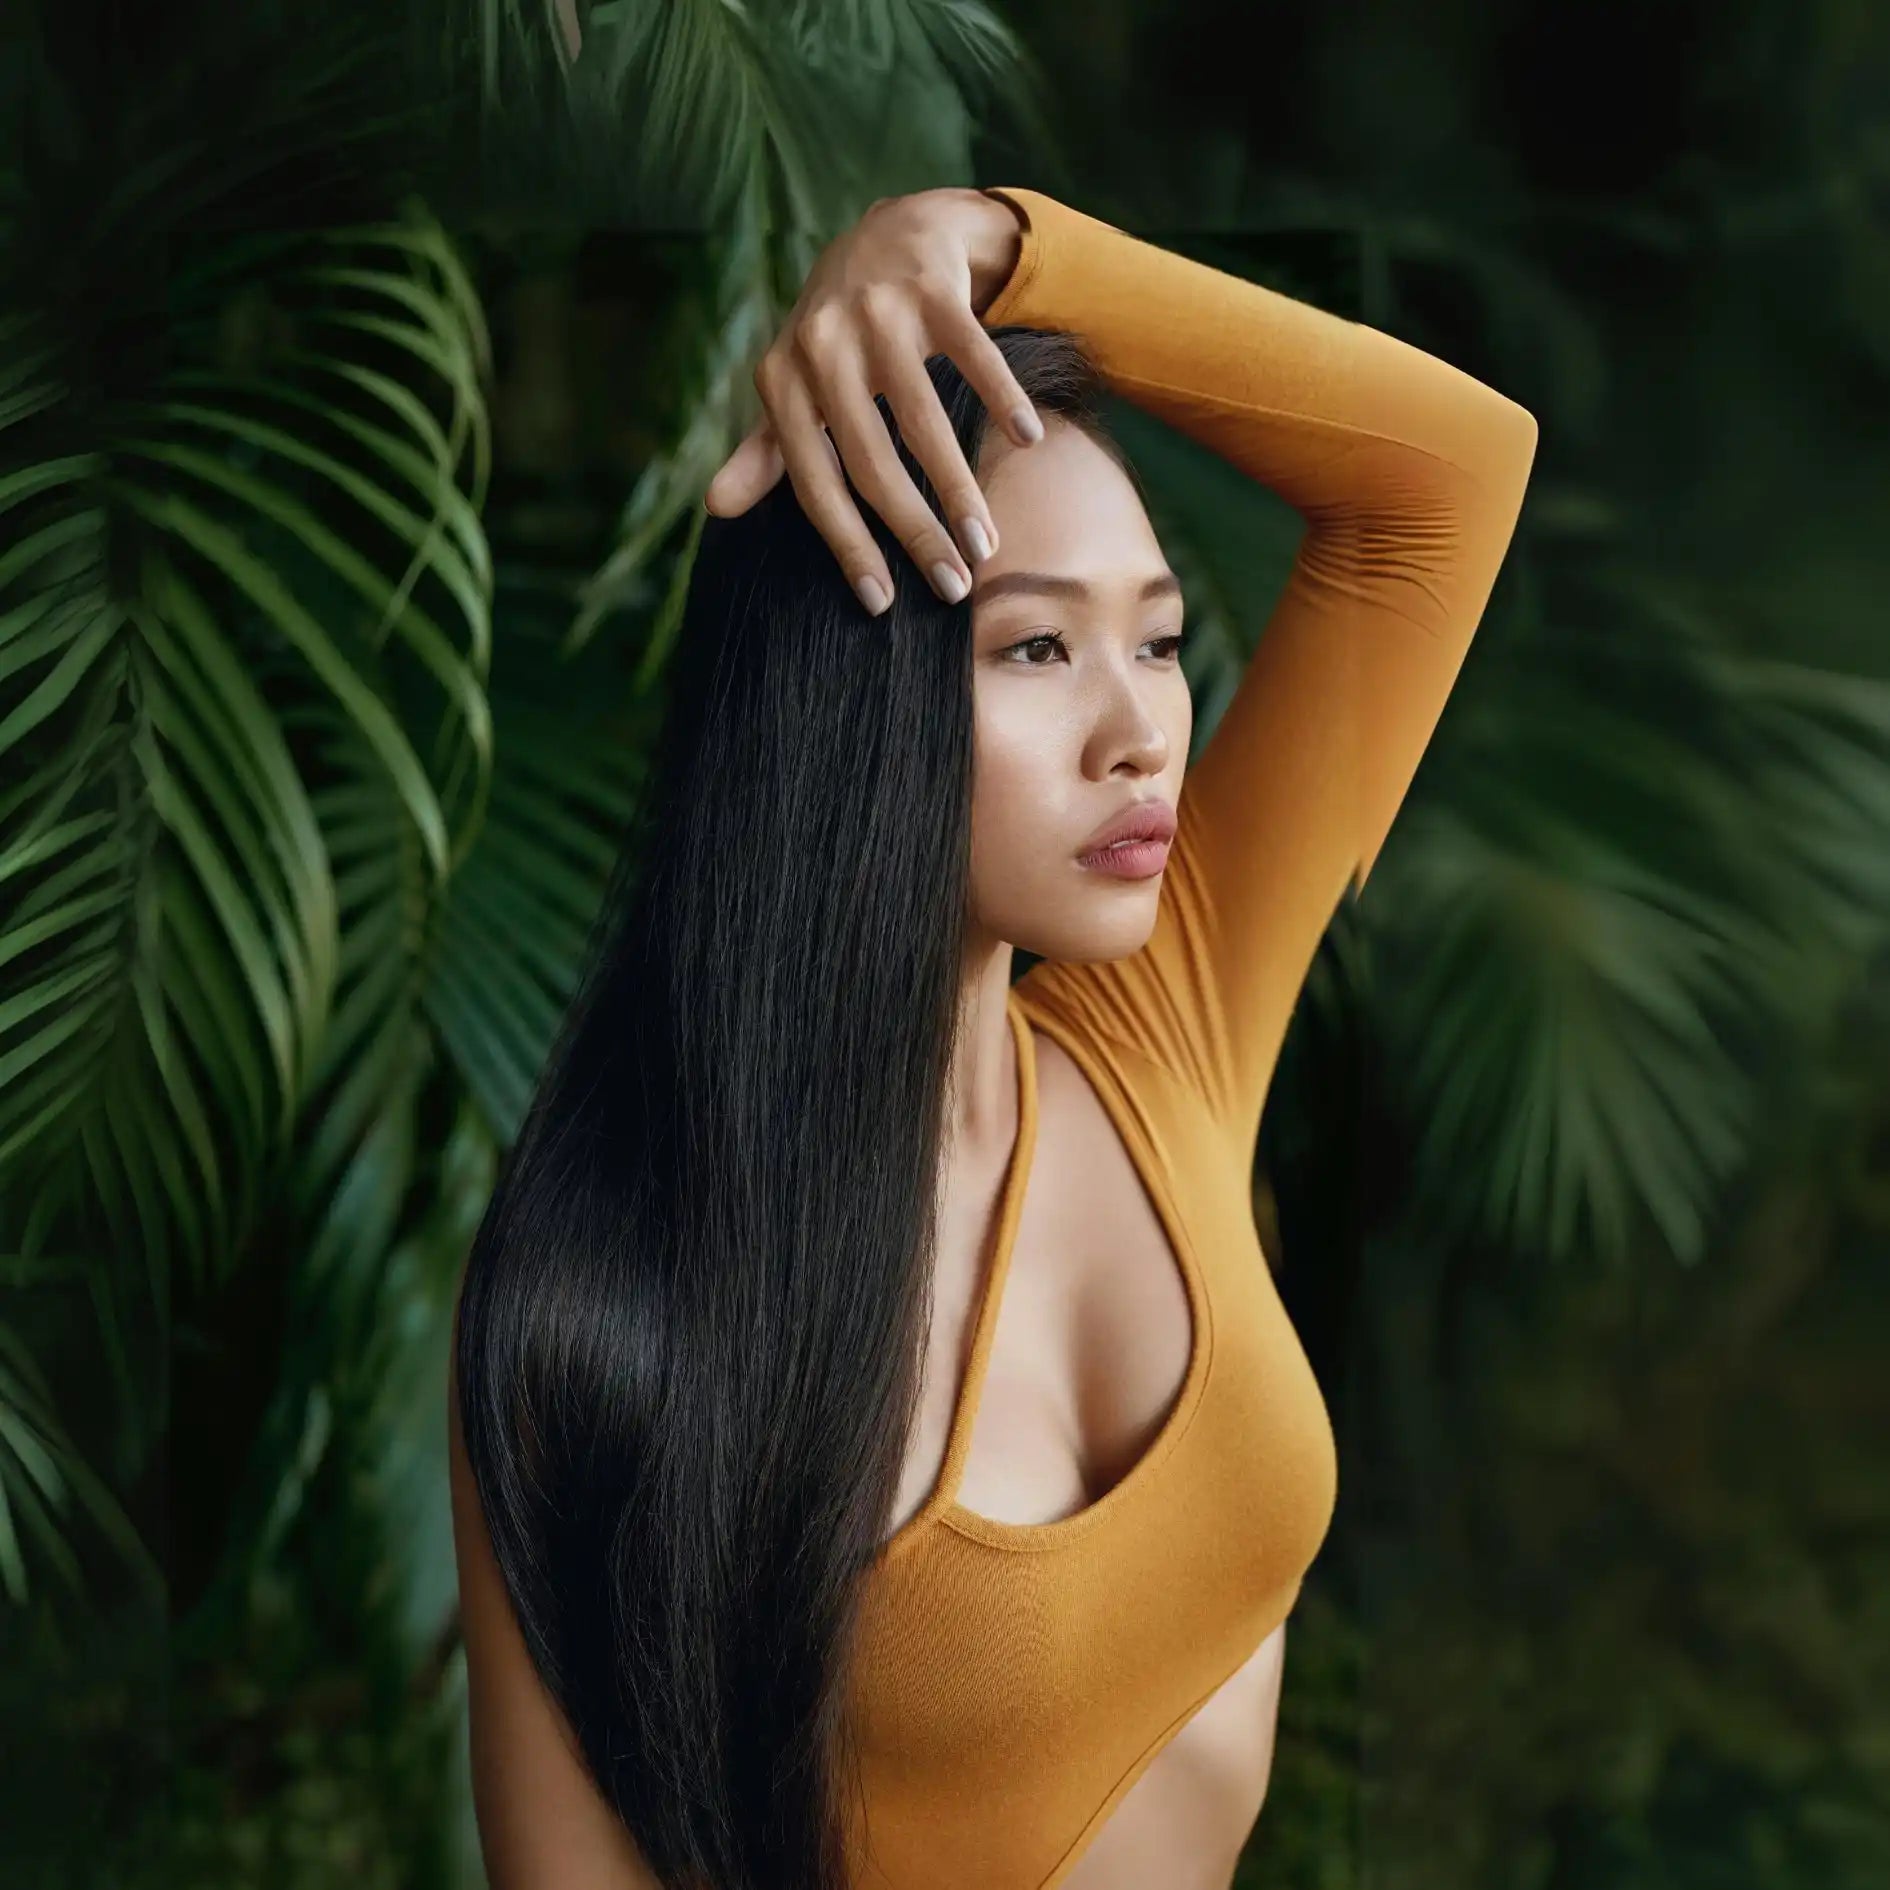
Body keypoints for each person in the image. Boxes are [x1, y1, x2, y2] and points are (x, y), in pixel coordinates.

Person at [450, 183, 1538, 1890]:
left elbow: (1448, 471)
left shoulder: (1166, 1022)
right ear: (848, 702)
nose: (1139, 734)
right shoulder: (618, 1294)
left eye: (1162, 642)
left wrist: (984, 243)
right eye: (1035, 644)